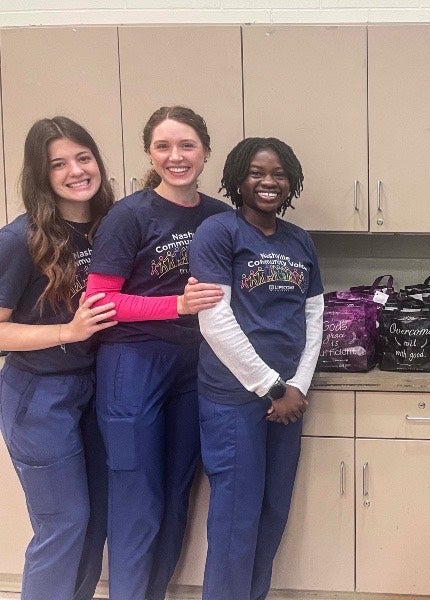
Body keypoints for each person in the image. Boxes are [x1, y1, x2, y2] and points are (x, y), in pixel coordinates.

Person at [84, 106, 229, 600]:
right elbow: (100, 301)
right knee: (135, 496)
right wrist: (176, 304)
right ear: (150, 152)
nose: (176, 157)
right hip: (133, 364)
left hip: (195, 368)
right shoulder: (129, 216)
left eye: (186, 145)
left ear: (205, 151)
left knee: (174, 493)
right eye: (163, 147)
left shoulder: (219, 217)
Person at [188, 137, 324, 600]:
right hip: (234, 398)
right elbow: (215, 318)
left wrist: (297, 386)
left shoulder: (299, 240)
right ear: (237, 180)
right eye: (257, 173)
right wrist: (271, 386)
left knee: (271, 512)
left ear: (291, 183)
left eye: (279, 174)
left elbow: (313, 316)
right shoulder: (218, 232)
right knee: (234, 521)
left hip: (288, 399)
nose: (269, 182)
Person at [0, 116, 116, 600]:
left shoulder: (110, 226)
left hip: (97, 389)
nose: (76, 171)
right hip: (40, 397)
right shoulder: (20, 238)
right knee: (64, 523)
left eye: (83, 157)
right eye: (59, 163)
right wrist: (67, 331)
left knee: (94, 524)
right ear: (40, 174)